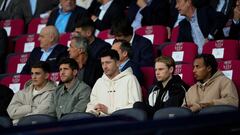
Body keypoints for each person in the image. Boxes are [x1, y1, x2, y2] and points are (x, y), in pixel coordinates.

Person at [86, 49, 142, 116]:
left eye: (108, 62)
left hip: (124, 121)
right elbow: (92, 105)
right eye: (102, 63)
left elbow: (135, 106)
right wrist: (92, 112)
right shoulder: (99, 82)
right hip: (100, 122)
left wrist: (109, 110)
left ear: (118, 63)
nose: (105, 67)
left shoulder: (130, 79)